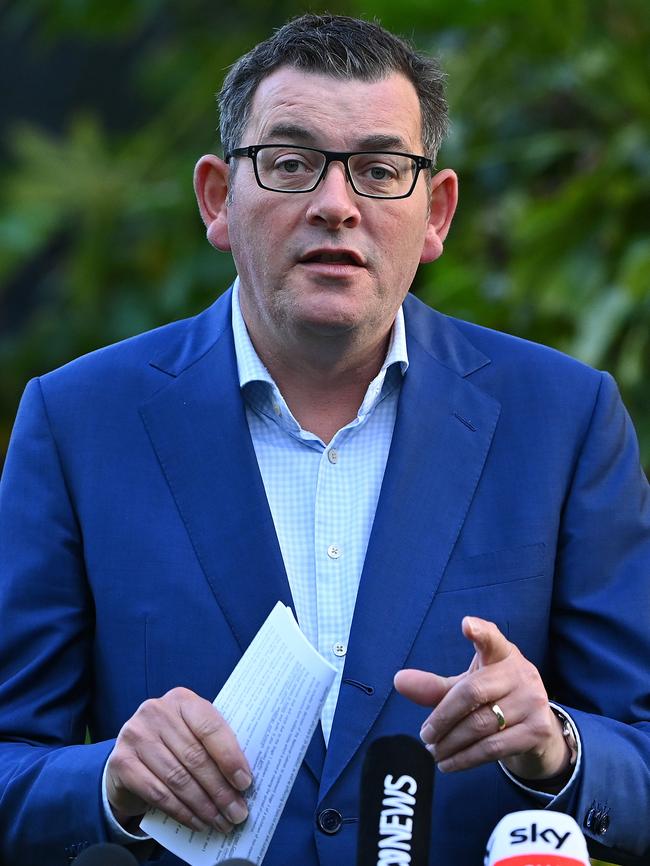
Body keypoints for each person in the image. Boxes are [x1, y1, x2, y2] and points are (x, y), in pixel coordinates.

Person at [0, 13, 648, 866]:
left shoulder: (562, 418)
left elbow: (637, 751)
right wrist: (107, 780)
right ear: (217, 200)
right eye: (292, 163)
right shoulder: (79, 421)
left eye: (380, 170)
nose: (336, 206)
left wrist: (560, 743)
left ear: (437, 212)